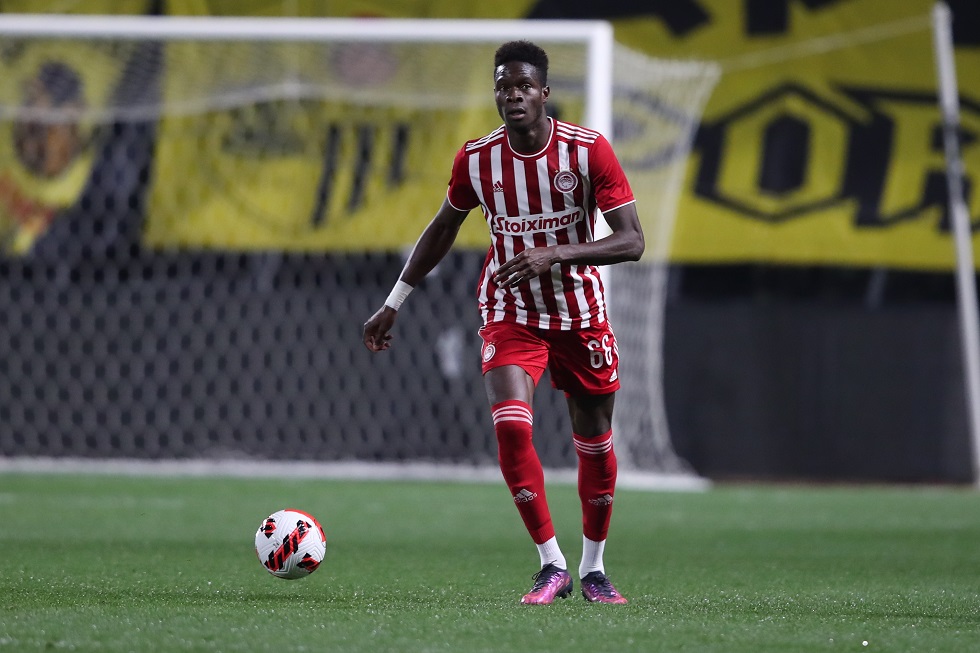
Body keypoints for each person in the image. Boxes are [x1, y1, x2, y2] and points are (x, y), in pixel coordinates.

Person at [362, 40, 644, 605]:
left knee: (594, 442)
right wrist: (395, 300)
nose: (512, 95)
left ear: (544, 93)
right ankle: (551, 565)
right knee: (512, 427)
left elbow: (632, 241)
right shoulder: (477, 159)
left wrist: (555, 254)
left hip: (579, 313)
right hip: (509, 310)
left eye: (523, 86)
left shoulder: (589, 152)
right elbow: (444, 227)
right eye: (503, 87)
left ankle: (593, 569)